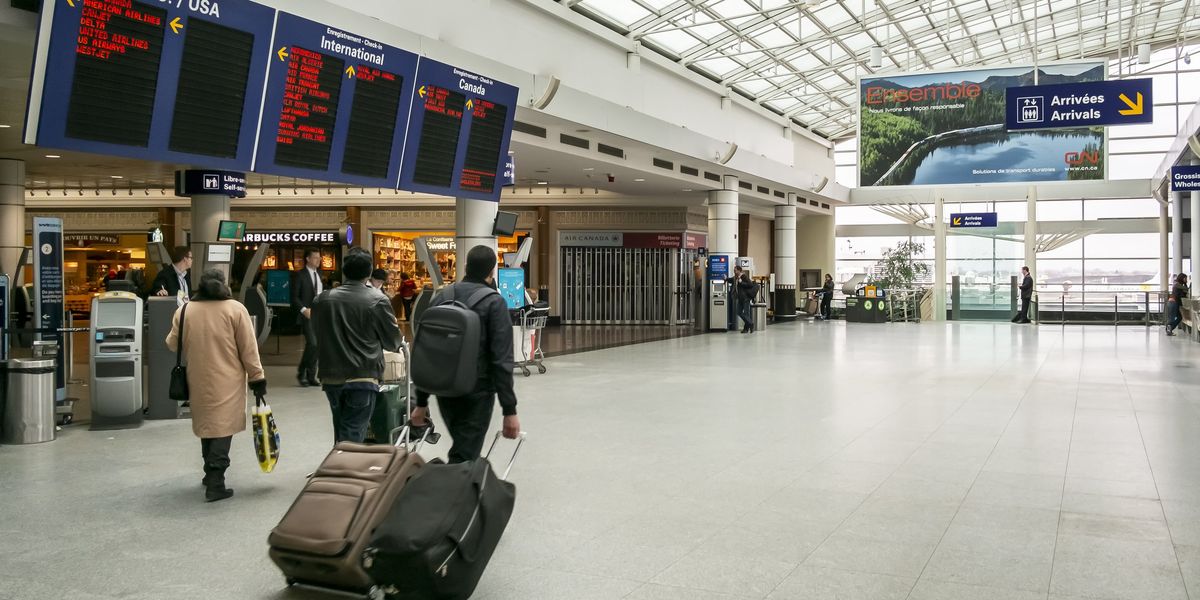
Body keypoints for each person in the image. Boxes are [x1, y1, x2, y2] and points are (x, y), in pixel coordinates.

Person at [409, 246, 521, 463]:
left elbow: (428, 350)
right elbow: (501, 360)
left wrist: (421, 402)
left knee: (463, 449)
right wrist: (509, 410)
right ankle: (450, 483)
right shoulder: (494, 302)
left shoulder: (442, 296)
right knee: (464, 457)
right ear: (492, 271)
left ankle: (459, 480)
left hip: (445, 389)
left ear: (466, 266)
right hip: (476, 393)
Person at [165, 269, 266, 503]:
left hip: (198, 378)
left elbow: (171, 344)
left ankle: (208, 473)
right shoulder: (235, 309)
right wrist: (257, 378)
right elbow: (249, 350)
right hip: (228, 381)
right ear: (224, 284)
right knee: (222, 427)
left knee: (208, 425)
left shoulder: (185, 310)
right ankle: (216, 482)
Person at [311, 248, 403, 443]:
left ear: (344, 270)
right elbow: (393, 341)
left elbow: (316, 332)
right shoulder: (377, 300)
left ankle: (340, 459)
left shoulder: (322, 299)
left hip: (331, 374)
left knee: (341, 428)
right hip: (363, 374)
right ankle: (346, 461)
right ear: (369, 272)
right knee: (353, 433)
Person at [291, 248, 323, 387]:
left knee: (317, 345)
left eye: (319, 257)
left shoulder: (320, 274)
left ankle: (311, 376)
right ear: (308, 259)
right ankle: (302, 372)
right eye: (315, 257)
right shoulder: (300, 275)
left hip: (320, 314)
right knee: (313, 343)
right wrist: (304, 310)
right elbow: (294, 297)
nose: (318, 260)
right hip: (307, 314)